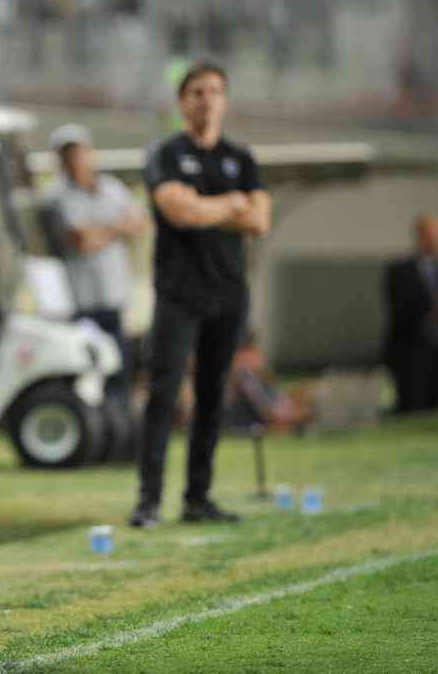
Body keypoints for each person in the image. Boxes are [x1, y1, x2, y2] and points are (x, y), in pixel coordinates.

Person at [131, 61, 271, 530]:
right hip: (178, 295)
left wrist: (205, 207)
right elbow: (176, 211)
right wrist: (230, 204)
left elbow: (259, 221)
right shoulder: (166, 153)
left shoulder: (242, 158)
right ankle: (149, 501)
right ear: (182, 102)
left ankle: (198, 497)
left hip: (228, 295)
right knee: (164, 397)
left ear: (224, 100)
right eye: (196, 92)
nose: (206, 99)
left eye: (214, 91)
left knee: (213, 398)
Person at [49, 123, 148, 414]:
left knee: (119, 372)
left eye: (78, 153)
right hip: (82, 304)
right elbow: (82, 241)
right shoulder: (57, 197)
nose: (75, 160)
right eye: (68, 155)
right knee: (87, 376)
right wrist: (119, 227)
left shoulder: (112, 188)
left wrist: (104, 231)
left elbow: (141, 223)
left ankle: (119, 434)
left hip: (114, 300)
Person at [384, 214, 438, 414]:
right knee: (411, 406)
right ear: (420, 237)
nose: (437, 240)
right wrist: (435, 305)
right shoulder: (400, 270)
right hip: (410, 350)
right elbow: (399, 308)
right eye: (432, 235)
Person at [223, 331, 314, 435]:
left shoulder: (259, 377)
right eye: (252, 352)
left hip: (265, 418)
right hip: (246, 425)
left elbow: (276, 402)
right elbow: (270, 415)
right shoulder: (245, 375)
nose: (258, 357)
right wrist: (297, 414)